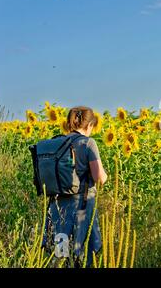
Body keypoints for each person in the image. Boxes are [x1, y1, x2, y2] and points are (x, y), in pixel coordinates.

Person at [47, 106, 108, 267]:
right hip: (81, 207)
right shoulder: (88, 143)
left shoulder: (56, 142)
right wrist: (105, 175)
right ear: (89, 125)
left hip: (57, 207)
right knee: (84, 254)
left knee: (61, 255)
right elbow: (99, 178)